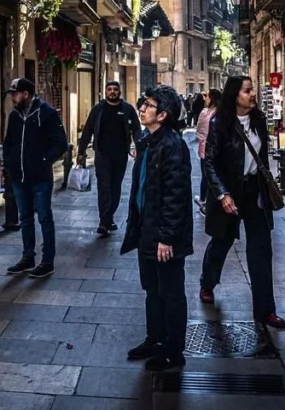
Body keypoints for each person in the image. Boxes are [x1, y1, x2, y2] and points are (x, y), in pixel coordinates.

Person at [200, 76, 285, 332]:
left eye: (252, 91)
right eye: (247, 91)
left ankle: (265, 310)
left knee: (261, 249)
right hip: (230, 191)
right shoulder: (219, 123)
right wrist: (222, 194)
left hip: (254, 191)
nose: (252, 95)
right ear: (234, 94)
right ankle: (207, 282)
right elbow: (210, 162)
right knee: (221, 241)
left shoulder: (259, 120)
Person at [120, 85, 192, 371]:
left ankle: (173, 351)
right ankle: (155, 339)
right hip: (147, 229)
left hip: (164, 236)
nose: (142, 108)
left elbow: (176, 196)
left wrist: (167, 237)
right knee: (152, 289)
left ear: (162, 115)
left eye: (148, 105)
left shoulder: (172, 144)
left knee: (171, 293)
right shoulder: (148, 140)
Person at [3, 78, 68, 279]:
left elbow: (61, 143)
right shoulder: (14, 116)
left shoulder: (46, 113)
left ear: (26, 94)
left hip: (40, 177)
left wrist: (44, 160)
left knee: (44, 218)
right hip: (19, 177)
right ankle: (27, 257)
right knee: (25, 218)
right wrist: (9, 163)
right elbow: (9, 143)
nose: (13, 97)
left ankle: (47, 261)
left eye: (15, 93)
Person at [77, 80, 141, 236]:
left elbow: (136, 129)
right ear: (105, 92)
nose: (112, 92)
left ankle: (109, 216)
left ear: (120, 92)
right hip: (102, 155)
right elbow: (88, 130)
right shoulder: (98, 109)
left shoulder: (127, 109)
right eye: (109, 89)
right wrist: (81, 151)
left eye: (115, 89)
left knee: (115, 188)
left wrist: (139, 148)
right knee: (104, 187)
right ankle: (104, 222)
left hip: (120, 156)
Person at [194, 89, 221, 211]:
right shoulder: (222, 113)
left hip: (205, 148)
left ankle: (203, 199)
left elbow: (199, 131)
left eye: (207, 96)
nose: (205, 99)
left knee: (206, 175)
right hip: (218, 150)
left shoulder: (205, 113)